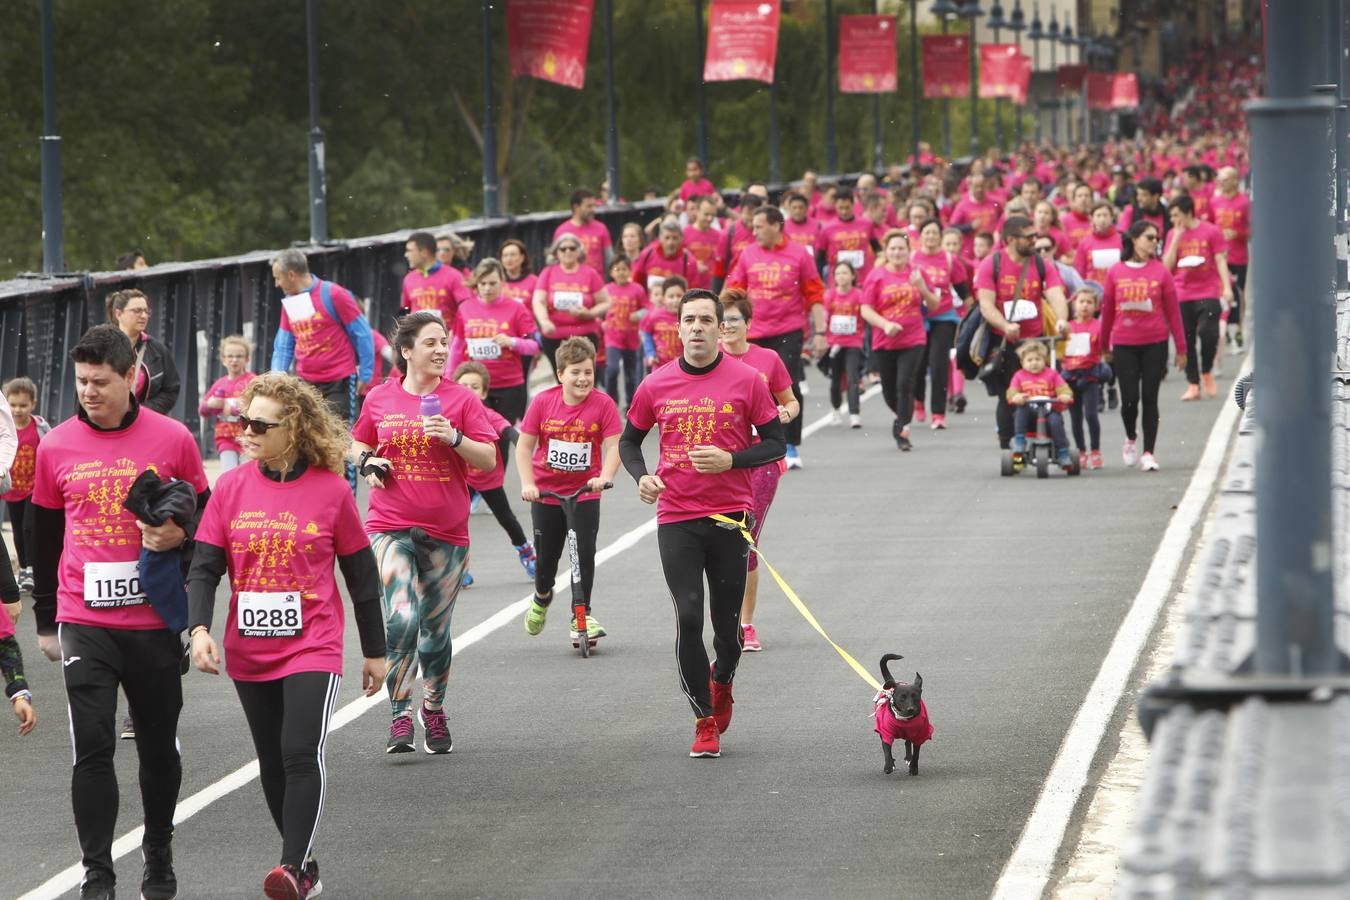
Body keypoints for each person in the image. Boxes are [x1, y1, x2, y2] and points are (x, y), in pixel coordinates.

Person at [186, 372, 385, 900]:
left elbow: (361, 577)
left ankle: (291, 867)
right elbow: (205, 568)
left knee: (299, 750)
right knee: (272, 760)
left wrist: (375, 651)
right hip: (250, 648)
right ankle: (306, 863)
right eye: (242, 420)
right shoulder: (229, 488)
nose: (244, 432)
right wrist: (199, 628)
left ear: (292, 429)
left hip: (312, 644)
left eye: (258, 424)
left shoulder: (330, 490)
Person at [30, 324, 211, 900]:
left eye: (100, 381)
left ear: (131, 377)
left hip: (154, 619)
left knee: (158, 748)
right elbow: (43, 534)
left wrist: (177, 536)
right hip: (85, 618)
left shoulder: (174, 438)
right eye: (81, 381)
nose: (88, 391)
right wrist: (43, 619)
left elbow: (206, 524)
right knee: (93, 745)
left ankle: (157, 852)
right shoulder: (56, 444)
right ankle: (98, 875)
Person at [618, 289, 785, 759]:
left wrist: (731, 459)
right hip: (677, 517)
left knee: (726, 630)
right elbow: (630, 443)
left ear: (720, 328)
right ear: (678, 327)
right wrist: (642, 476)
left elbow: (775, 443)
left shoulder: (748, 380)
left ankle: (723, 679)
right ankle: (703, 721)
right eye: (688, 319)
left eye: (706, 320)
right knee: (688, 617)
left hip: (730, 517)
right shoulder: (655, 384)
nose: (696, 327)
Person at [350, 312, 497, 754]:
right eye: (431, 342)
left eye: (445, 342)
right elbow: (359, 442)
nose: (440, 350)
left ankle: (432, 707)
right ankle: (399, 715)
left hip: (447, 531)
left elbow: (488, 459)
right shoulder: (380, 398)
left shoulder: (461, 400)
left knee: (434, 633)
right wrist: (367, 462)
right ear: (407, 351)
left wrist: (454, 438)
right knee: (402, 618)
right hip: (388, 525)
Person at [516, 338, 622, 644]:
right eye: (576, 372)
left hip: (585, 491)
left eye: (588, 372)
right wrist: (528, 484)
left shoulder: (603, 405)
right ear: (561, 374)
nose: (583, 379)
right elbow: (525, 447)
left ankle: (582, 615)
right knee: (547, 560)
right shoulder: (542, 402)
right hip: (546, 492)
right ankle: (541, 596)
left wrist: (605, 476)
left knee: (584, 554)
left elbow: (614, 444)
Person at [717, 290, 798, 654]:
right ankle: (723, 619)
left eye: (734, 319)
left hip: (762, 463)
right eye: (722, 319)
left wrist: (785, 414)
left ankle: (745, 624)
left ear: (748, 324)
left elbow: (791, 401)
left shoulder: (767, 359)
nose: (727, 325)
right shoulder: (708, 360)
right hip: (720, 462)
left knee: (747, 542)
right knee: (719, 543)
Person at [724, 205, 826, 469]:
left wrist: (821, 333)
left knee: (785, 384)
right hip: (754, 332)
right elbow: (733, 290)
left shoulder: (799, 254)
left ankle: (790, 443)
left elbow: (815, 294)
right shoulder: (748, 254)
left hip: (788, 330)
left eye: (759, 226)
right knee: (752, 386)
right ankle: (755, 440)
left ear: (776, 226)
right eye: (753, 227)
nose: (754, 231)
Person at [974, 215, 1071, 449]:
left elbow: (1056, 293)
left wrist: (1062, 320)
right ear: (1010, 239)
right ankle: (1009, 443)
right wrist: (1005, 326)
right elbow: (986, 305)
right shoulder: (992, 263)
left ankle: (1044, 439)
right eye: (1028, 237)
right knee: (1010, 394)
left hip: (1035, 340)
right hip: (1004, 341)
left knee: (1043, 390)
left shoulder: (1040, 263)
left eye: (1035, 236)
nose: (1034, 241)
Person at [1101, 221, 1188, 471]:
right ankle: (1131, 437)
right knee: (1129, 398)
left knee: (1150, 397)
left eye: (1156, 238)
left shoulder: (1161, 272)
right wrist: (1104, 344)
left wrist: (1181, 349)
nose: (1153, 242)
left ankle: (1149, 452)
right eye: (1149, 237)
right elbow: (1107, 311)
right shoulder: (1115, 272)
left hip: (1155, 341)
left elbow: (1173, 313)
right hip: (1124, 342)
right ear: (1135, 239)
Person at [269, 248, 376, 425]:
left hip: (339, 380)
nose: (276, 284)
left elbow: (362, 333)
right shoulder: (291, 300)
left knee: (340, 432)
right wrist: (275, 377)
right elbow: (283, 344)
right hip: (306, 382)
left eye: (278, 278)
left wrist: (365, 374)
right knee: (310, 435)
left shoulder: (334, 294)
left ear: (291, 275)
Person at [452, 362, 537, 581]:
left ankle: (527, 554)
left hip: (488, 478)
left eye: (475, 387)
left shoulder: (487, 414)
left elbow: (507, 430)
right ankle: (459, 566)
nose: (469, 391)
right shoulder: (449, 413)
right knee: (455, 521)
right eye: (463, 386)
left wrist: (521, 443)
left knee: (507, 518)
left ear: (484, 392)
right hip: (462, 478)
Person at [861, 230, 942, 451]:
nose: (897, 252)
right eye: (893, 248)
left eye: (901, 248)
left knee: (904, 384)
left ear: (908, 251)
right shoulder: (876, 276)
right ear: (886, 252)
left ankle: (902, 430)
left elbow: (934, 305)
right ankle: (903, 415)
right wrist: (885, 325)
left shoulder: (918, 273)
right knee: (889, 391)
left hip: (914, 338)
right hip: (884, 341)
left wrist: (922, 288)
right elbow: (866, 309)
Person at [451, 258, 540, 425]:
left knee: (502, 440)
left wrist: (512, 342)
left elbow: (534, 347)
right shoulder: (465, 308)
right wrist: (448, 380)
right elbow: (456, 348)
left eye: (493, 283)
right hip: (475, 385)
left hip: (509, 385)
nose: (487, 288)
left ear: (502, 282)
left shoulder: (517, 308)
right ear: (476, 283)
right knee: (480, 435)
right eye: (482, 283)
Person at [1163, 194, 1232, 400]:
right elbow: (1167, 267)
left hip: (1208, 290)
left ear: (1188, 212)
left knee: (1208, 331)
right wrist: (1176, 237)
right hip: (1181, 292)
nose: (1174, 219)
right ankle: (1193, 383)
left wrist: (1226, 287)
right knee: (1187, 338)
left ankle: (1207, 370)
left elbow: (1220, 260)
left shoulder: (1210, 231)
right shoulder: (1172, 234)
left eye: (1176, 215)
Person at [909, 220, 971, 430]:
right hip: (917, 318)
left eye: (935, 233)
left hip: (944, 317)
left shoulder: (949, 260)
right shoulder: (911, 259)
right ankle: (918, 401)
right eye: (927, 233)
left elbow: (963, 292)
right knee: (918, 365)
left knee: (939, 365)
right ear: (920, 236)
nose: (931, 237)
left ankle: (938, 413)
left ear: (940, 236)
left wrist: (971, 319)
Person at [532, 235, 611, 384]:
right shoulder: (548, 273)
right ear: (557, 253)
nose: (568, 251)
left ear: (579, 252)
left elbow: (606, 302)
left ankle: (588, 407)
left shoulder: (590, 273)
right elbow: (538, 300)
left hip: (584, 335)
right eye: (563, 249)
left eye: (572, 248)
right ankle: (567, 407)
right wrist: (544, 321)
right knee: (563, 381)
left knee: (583, 380)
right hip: (554, 336)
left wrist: (589, 313)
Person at [106, 289, 181, 415]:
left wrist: (142, 411)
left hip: (144, 421)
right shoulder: (102, 346)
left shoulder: (157, 349)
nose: (144, 316)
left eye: (146, 311)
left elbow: (171, 389)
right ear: (118, 314)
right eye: (137, 311)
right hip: (108, 421)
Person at [3, 377, 45, 595]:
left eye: (23, 405)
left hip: (33, 487)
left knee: (29, 526)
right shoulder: (4, 430)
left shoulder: (39, 428)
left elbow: (51, 450)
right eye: (13, 405)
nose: (18, 410)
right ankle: (24, 569)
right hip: (12, 489)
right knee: (18, 530)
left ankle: (31, 568)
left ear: (33, 404)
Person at [1059, 288, 1109, 470]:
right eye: (1081, 302)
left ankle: (1095, 450)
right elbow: (1059, 348)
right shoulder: (1068, 326)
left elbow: (1104, 348)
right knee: (1075, 416)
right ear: (1074, 304)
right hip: (1070, 375)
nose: (1085, 306)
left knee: (1091, 414)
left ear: (1095, 306)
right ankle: (1081, 451)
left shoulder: (1098, 326)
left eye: (1089, 302)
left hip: (1089, 376)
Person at [1007, 341, 1075, 468]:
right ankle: (1020, 442)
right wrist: (1016, 396)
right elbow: (1012, 391)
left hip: (1048, 411)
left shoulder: (1052, 374)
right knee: (1021, 411)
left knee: (1056, 421)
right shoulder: (1019, 376)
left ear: (1045, 360)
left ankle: (1063, 453)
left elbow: (1063, 388)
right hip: (1029, 414)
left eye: (1038, 359)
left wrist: (1065, 395)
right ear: (1022, 363)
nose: (1034, 363)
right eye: (1030, 360)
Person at [199, 335, 257, 471]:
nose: (234, 360)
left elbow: (257, 406)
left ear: (247, 359)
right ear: (223, 360)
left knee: (246, 472)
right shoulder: (220, 383)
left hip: (248, 436)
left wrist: (229, 406)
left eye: (239, 356)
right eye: (230, 356)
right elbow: (202, 410)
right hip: (225, 437)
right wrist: (211, 405)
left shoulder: (253, 381)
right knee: (229, 472)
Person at [1209, 166, 1250, 350]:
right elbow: (1209, 227)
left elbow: (1253, 230)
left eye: (1225, 179)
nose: (1222, 183)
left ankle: (1239, 331)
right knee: (1220, 293)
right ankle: (1222, 330)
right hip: (1219, 257)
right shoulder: (1215, 202)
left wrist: (1238, 233)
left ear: (1235, 180)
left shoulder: (1244, 202)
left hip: (1239, 256)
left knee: (1238, 294)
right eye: (1220, 180)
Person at [601, 254, 648, 407]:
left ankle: (630, 403)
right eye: (617, 269)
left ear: (629, 271)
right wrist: (601, 322)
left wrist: (638, 315)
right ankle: (611, 402)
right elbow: (597, 309)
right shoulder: (606, 290)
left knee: (631, 374)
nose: (621, 272)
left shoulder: (637, 289)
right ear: (611, 272)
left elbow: (647, 309)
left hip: (632, 339)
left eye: (624, 269)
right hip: (612, 338)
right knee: (612, 369)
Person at [823, 260, 865, 428]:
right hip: (834, 343)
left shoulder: (859, 295)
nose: (841, 276)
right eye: (838, 273)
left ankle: (854, 413)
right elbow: (825, 318)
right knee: (835, 379)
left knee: (853, 377)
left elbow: (865, 315)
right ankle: (836, 409)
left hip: (854, 342)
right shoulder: (830, 295)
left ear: (853, 276)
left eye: (845, 273)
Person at [402, 230, 474, 321]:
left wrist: (455, 331)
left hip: (446, 333)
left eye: (446, 249)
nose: (441, 253)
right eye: (438, 249)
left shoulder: (458, 275)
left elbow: (468, 309)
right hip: (419, 334)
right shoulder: (409, 279)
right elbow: (406, 310)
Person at [552, 188, 613, 277]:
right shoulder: (562, 231)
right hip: (570, 284)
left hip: (596, 284)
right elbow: (555, 261)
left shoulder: (601, 228)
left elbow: (610, 260)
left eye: (594, 206)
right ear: (576, 207)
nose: (593, 210)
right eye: (589, 206)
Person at [632, 218, 699, 298]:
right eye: (667, 238)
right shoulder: (647, 254)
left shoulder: (689, 261)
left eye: (674, 238)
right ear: (660, 238)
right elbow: (637, 284)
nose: (670, 243)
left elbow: (692, 292)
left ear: (681, 239)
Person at [948, 172, 1003, 260]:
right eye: (976, 187)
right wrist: (969, 226)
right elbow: (952, 227)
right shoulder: (962, 205)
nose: (979, 189)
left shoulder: (994, 203)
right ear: (970, 187)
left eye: (982, 186)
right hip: (971, 253)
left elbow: (1002, 220)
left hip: (992, 250)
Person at [640, 277, 686, 371]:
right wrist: (650, 353)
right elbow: (647, 335)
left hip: (682, 367)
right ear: (664, 298)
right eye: (671, 296)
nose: (675, 300)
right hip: (659, 365)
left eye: (679, 296)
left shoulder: (688, 317)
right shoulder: (655, 316)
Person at [1073, 201, 1123, 285]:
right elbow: (1080, 270)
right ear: (1092, 218)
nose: (1102, 219)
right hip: (1093, 289)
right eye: (1098, 215)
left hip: (1116, 285)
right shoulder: (1084, 242)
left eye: (1105, 215)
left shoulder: (1121, 240)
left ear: (1111, 218)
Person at [681, 196, 722, 290]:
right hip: (690, 290)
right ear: (697, 211)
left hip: (712, 290)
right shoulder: (684, 234)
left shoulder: (719, 236)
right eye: (706, 214)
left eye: (713, 215)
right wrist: (693, 265)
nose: (709, 218)